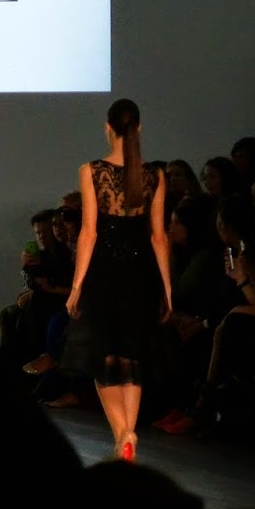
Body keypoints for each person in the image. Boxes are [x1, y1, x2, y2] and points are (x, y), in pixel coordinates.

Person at [64, 98, 172, 462]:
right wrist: (167, 287)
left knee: (103, 358)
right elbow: (159, 236)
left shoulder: (92, 171)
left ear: (107, 128)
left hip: (105, 274)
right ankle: (126, 437)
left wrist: (77, 285)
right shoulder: (156, 175)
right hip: (142, 275)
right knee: (132, 357)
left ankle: (123, 433)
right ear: (139, 128)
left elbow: (89, 233)